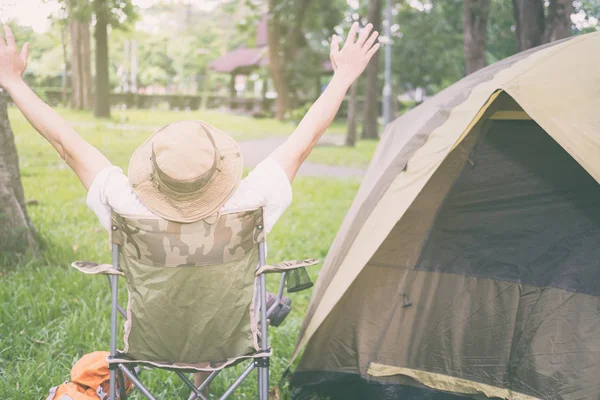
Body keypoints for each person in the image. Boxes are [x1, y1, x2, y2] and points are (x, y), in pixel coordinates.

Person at [0, 21, 379, 393]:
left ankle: (199, 373)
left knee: (190, 285)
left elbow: (65, 143)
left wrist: (14, 81)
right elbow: (306, 138)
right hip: (228, 339)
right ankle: (206, 375)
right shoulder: (251, 201)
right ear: (218, 169)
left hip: (153, 341)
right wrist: (343, 76)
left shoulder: (124, 204)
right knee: (211, 285)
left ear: (153, 173)